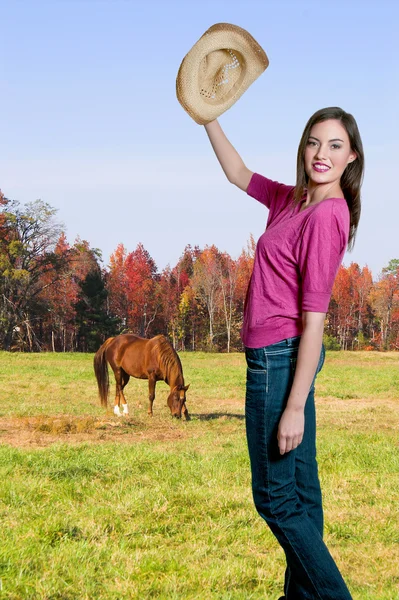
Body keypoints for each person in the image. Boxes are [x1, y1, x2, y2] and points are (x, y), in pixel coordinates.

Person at [204, 107, 364, 600]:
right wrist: (208, 117)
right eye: (314, 142)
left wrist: (294, 405)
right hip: (283, 355)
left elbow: (315, 319)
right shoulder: (291, 200)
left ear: (351, 156)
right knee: (302, 491)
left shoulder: (327, 214)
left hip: (280, 358)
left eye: (335, 145)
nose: (322, 154)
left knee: (274, 499)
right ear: (303, 147)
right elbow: (237, 173)